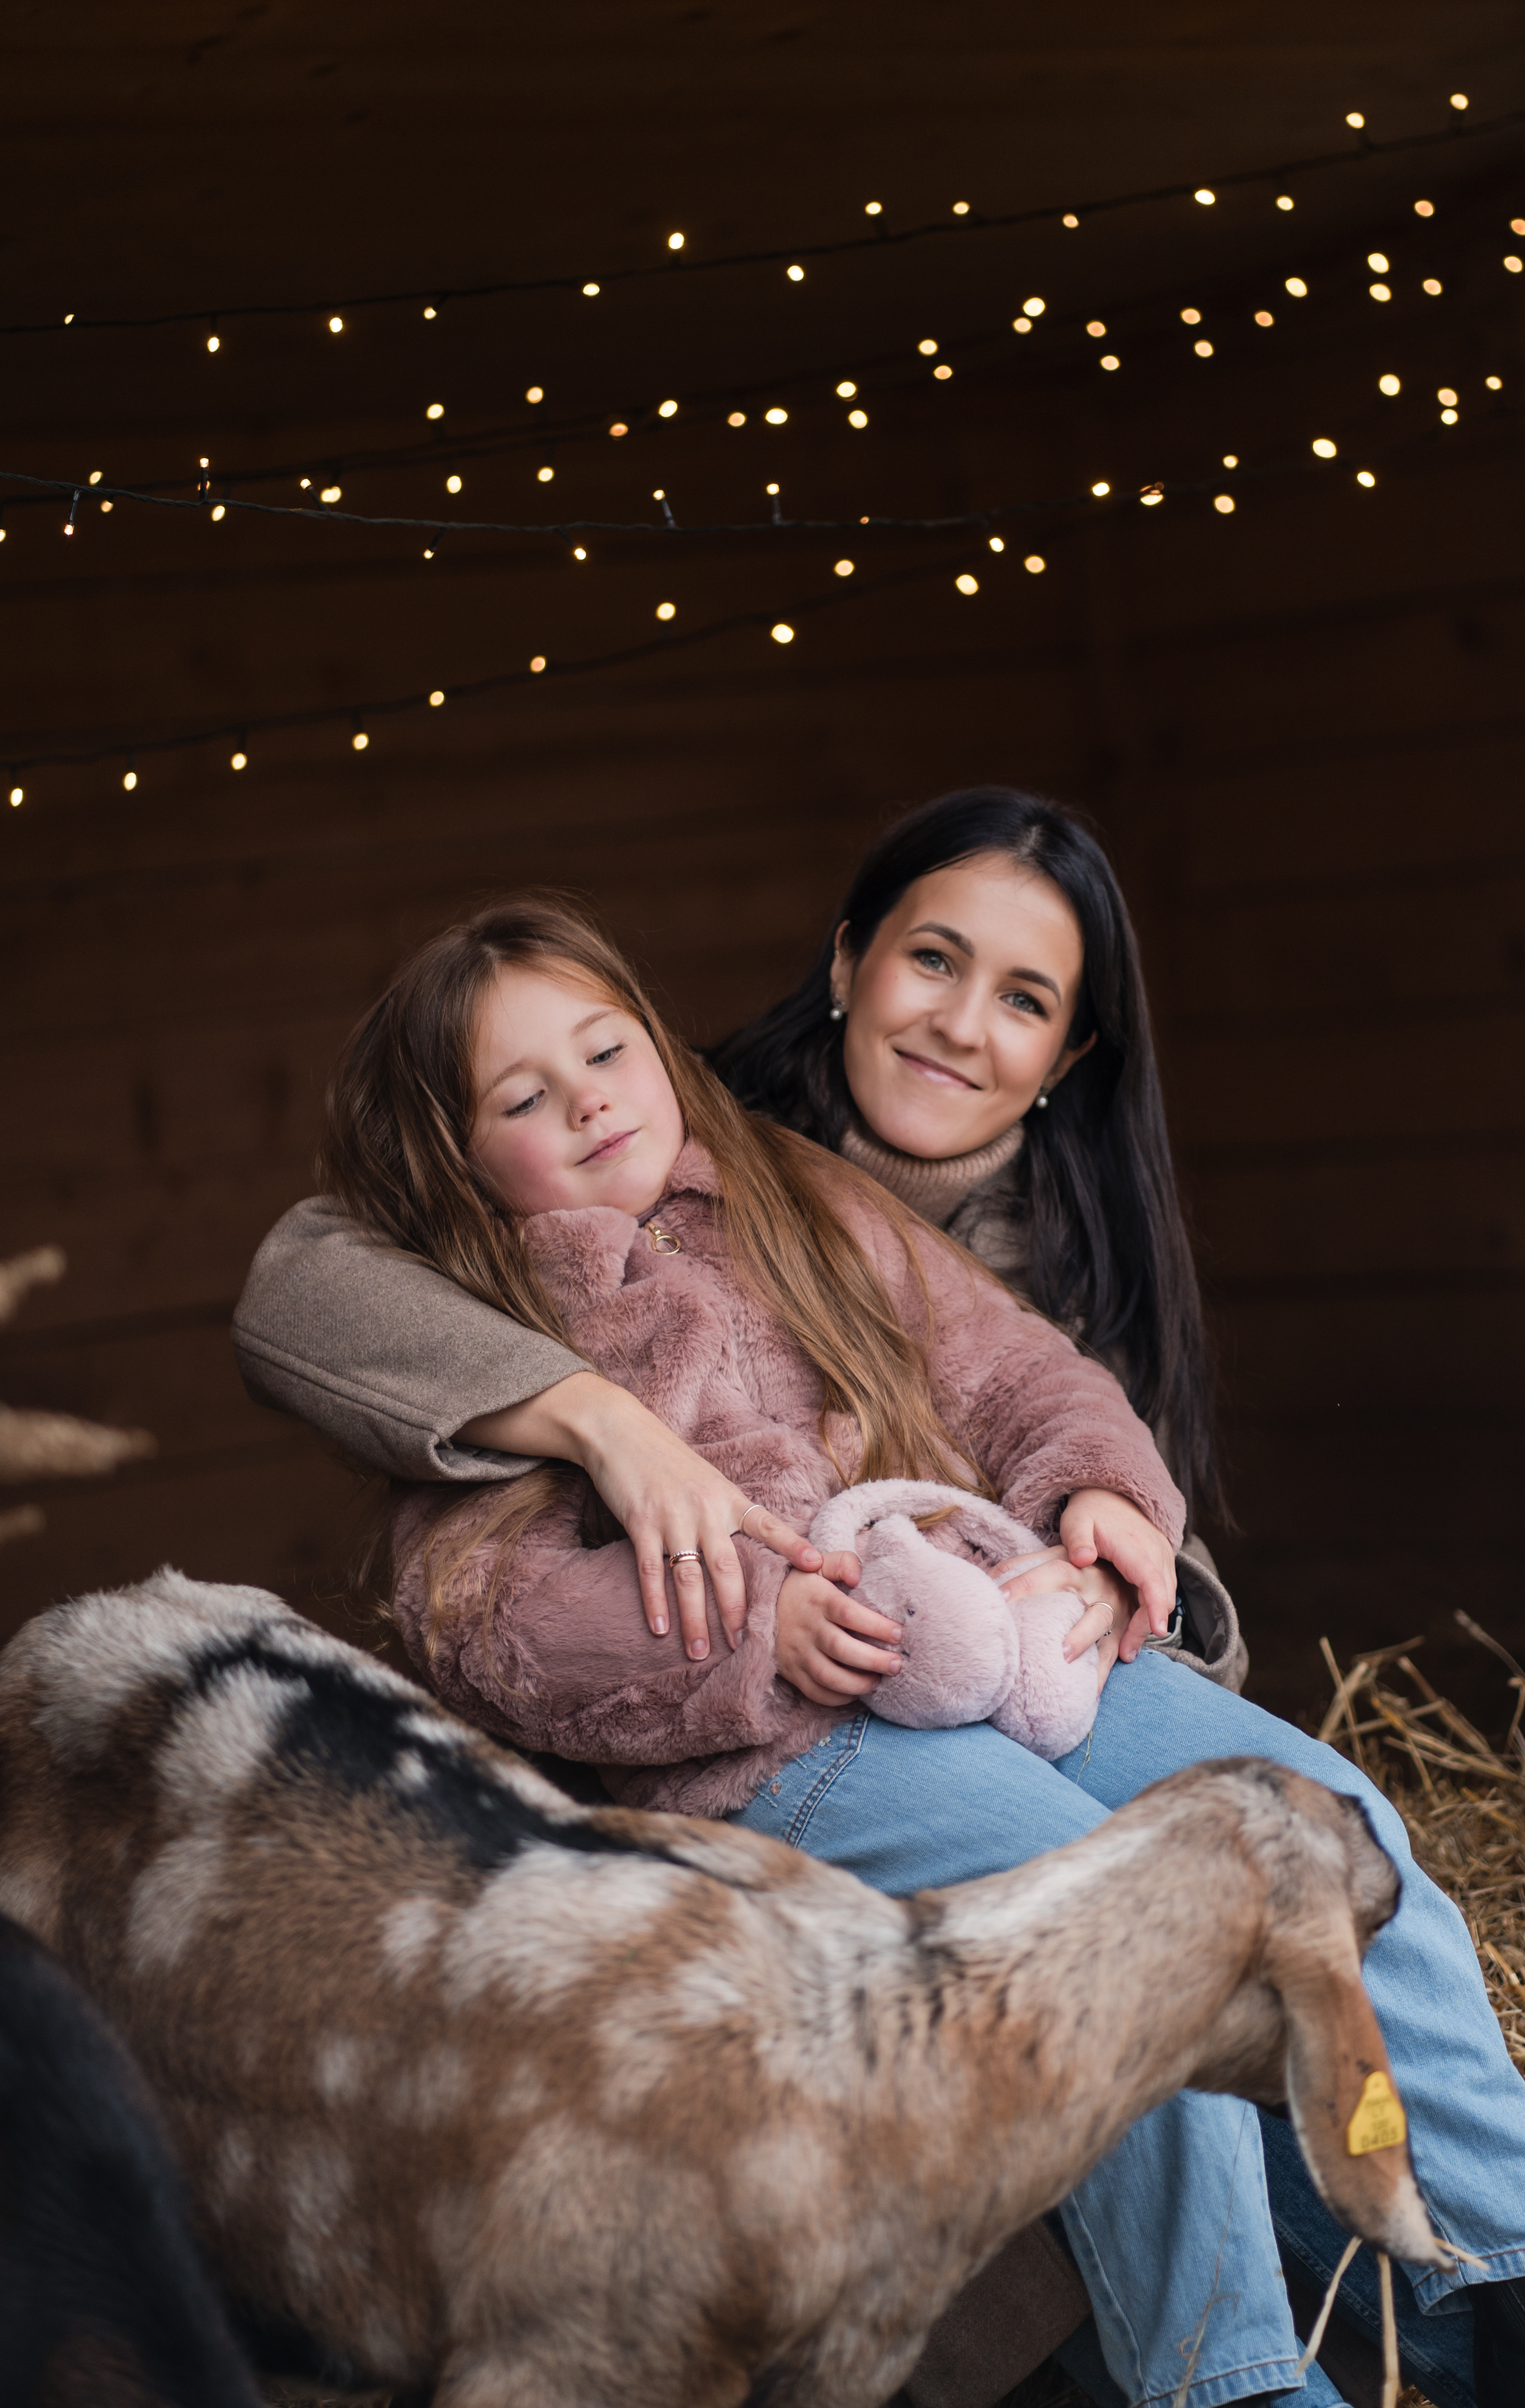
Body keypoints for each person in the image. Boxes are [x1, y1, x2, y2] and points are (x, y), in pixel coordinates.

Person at [240, 891, 1525, 2408]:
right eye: (524, 1095)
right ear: (453, 1158)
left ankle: (1483, 2281)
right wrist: (757, 1635)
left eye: (607, 1050)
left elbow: (1010, 1368)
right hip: (791, 1741)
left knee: (1335, 1829)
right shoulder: (469, 1324)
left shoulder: (791, 1194)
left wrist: (1101, 1490)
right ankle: (1230, 2375)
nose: (587, 1098)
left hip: (1006, 1651)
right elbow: (500, 1626)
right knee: (1112, 1929)